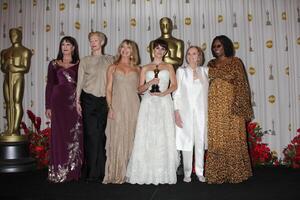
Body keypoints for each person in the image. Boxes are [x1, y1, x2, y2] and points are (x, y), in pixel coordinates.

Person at [126, 39, 178, 185]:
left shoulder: (169, 66)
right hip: (148, 103)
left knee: (163, 134)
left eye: (162, 49)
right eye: (157, 48)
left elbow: (174, 85)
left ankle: (163, 172)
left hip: (164, 102)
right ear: (152, 50)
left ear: (165, 51)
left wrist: (164, 93)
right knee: (147, 135)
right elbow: (139, 89)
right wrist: (149, 84)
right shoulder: (145, 68)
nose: (159, 51)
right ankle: (145, 172)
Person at [205, 35, 253, 184]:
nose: (216, 48)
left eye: (218, 45)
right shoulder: (211, 64)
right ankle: (217, 174)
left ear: (225, 45)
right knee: (217, 138)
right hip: (214, 106)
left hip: (232, 104)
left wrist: (239, 105)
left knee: (233, 137)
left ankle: (236, 173)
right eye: (214, 46)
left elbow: (241, 84)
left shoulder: (235, 62)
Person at [76, 31, 114, 182]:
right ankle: (91, 172)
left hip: (105, 101)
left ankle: (103, 171)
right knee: (91, 135)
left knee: (103, 135)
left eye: (96, 40)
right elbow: (79, 82)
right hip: (88, 100)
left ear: (102, 42)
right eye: (91, 40)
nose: (93, 42)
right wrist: (77, 100)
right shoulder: (84, 61)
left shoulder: (110, 59)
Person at [45, 36, 83, 182]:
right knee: (59, 136)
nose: (65, 47)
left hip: (73, 103)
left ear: (73, 47)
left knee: (74, 135)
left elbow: (82, 85)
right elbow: (50, 85)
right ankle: (59, 170)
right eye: (63, 44)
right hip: (58, 103)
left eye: (68, 44)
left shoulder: (80, 64)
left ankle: (73, 171)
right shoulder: (54, 64)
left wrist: (80, 102)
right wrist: (48, 106)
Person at [103, 39, 141, 184]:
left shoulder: (138, 69)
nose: (125, 49)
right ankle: (117, 172)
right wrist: (110, 107)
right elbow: (108, 89)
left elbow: (140, 89)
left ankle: (131, 173)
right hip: (117, 105)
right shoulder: (112, 67)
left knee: (132, 136)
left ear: (133, 51)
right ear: (120, 49)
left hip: (134, 106)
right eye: (123, 47)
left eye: (128, 47)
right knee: (117, 136)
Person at [173, 46, 208, 183]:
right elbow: (177, 93)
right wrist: (176, 112)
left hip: (202, 112)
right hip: (185, 112)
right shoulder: (181, 72)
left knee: (200, 141)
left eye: (194, 53)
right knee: (187, 142)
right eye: (188, 53)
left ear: (199, 56)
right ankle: (187, 173)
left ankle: (200, 172)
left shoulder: (205, 71)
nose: (191, 56)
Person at [1, 28, 32, 136]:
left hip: (18, 78)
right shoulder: (5, 52)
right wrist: (7, 64)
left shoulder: (25, 51)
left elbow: (26, 68)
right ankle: (9, 127)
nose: (12, 37)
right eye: (10, 35)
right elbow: (3, 68)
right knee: (9, 103)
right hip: (7, 79)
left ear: (19, 35)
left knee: (17, 101)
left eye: (14, 35)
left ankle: (15, 129)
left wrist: (14, 66)